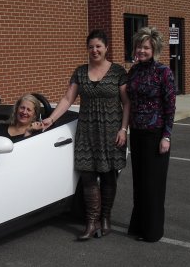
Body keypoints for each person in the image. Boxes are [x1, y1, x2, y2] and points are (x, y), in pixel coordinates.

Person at [43, 30, 130, 240]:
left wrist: (123, 129)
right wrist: (51, 119)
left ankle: (106, 219)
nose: (94, 50)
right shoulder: (80, 72)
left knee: (109, 175)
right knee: (88, 175)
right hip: (86, 131)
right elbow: (67, 99)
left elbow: (127, 103)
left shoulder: (118, 71)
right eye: (91, 46)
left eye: (98, 46)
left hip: (111, 131)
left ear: (106, 48)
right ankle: (91, 222)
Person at [126, 27, 176, 242]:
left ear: (154, 48)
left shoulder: (164, 72)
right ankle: (139, 227)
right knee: (139, 182)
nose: (142, 50)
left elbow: (170, 106)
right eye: (139, 46)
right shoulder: (134, 71)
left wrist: (167, 136)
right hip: (137, 133)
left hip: (155, 134)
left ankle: (153, 231)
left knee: (153, 184)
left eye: (146, 47)